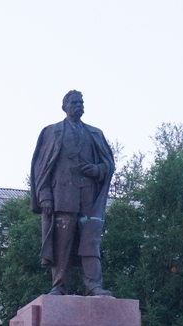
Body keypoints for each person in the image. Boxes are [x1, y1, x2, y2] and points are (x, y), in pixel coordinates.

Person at [30, 90, 115, 296]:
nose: (79, 105)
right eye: (75, 102)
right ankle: (59, 286)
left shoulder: (95, 134)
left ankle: (93, 285)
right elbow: (41, 169)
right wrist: (45, 196)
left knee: (91, 243)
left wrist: (96, 170)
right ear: (64, 107)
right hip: (62, 197)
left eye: (82, 102)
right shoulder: (51, 132)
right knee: (62, 244)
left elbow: (108, 165)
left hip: (88, 199)